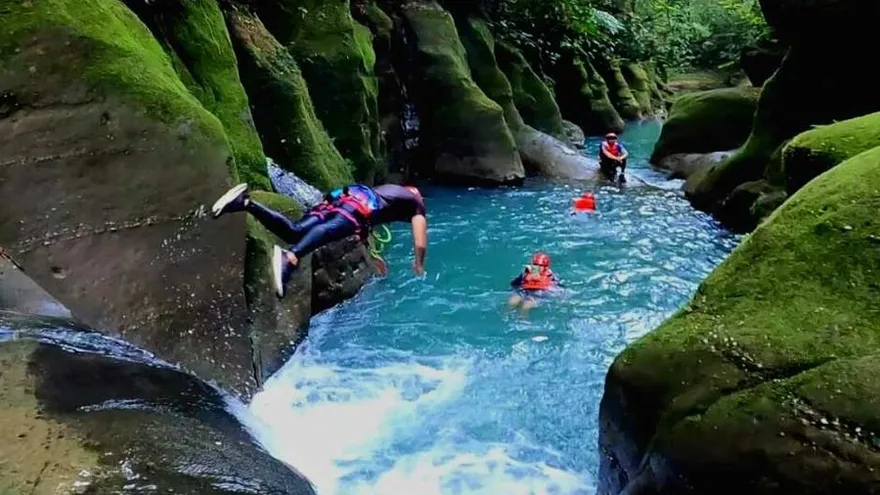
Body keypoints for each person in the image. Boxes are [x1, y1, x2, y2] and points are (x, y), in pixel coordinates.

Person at [211, 182, 428, 298]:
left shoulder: (390, 193)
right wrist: (419, 263)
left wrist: (372, 256)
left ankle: (244, 202)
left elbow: (361, 230)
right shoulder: (415, 203)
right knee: (330, 230)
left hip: (343, 196)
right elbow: (420, 238)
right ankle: (290, 258)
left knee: (295, 232)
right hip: (360, 203)